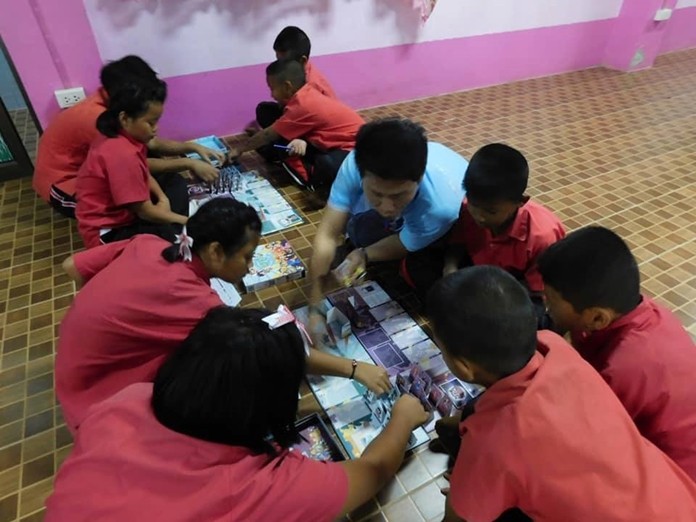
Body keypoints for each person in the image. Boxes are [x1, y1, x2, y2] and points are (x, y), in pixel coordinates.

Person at [46, 306, 429, 521]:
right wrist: (403, 418)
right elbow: (371, 473)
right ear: (267, 405)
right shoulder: (255, 489)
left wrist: (351, 369)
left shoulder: (126, 400)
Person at [58, 198, 390, 432]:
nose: (249, 267)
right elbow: (270, 348)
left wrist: (112, 311)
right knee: (235, 374)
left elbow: (72, 266)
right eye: (247, 256)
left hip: (73, 363)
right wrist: (355, 369)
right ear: (215, 250)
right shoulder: (197, 304)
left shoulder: (146, 242)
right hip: (98, 405)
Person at [427, 266, 696, 522]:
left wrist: (469, 494)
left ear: (464, 366)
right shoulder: (554, 346)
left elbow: (458, 517)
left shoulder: (494, 441)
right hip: (676, 501)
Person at [537, 226, 696, 480]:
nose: (546, 307)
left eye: (552, 301)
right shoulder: (642, 310)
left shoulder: (624, 368)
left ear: (598, 317)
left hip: (674, 479)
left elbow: (586, 439)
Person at [307, 118, 467, 338]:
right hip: (424, 202)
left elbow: (404, 243)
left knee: (425, 276)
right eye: (376, 194)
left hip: (446, 221)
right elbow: (327, 234)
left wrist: (365, 254)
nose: (387, 207)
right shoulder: (354, 164)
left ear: (419, 179)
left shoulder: (440, 207)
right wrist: (315, 304)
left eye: (398, 195)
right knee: (360, 233)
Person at [33, 55, 224, 218]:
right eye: (151, 122)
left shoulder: (111, 101)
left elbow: (151, 144)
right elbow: (131, 164)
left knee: (164, 182)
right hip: (63, 188)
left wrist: (191, 147)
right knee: (135, 212)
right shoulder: (98, 120)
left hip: (90, 168)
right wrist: (188, 164)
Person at [404, 143, 565, 324]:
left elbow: (534, 288)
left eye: (491, 212)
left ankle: (464, 315)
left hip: (514, 287)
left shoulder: (543, 235)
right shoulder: (469, 207)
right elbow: (459, 241)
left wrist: (487, 297)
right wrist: (450, 267)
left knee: (528, 321)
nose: (479, 217)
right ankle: (461, 314)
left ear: (521, 201)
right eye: (474, 205)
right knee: (418, 262)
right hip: (479, 272)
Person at [75, 79, 189, 248]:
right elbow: (145, 211)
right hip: (109, 231)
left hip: (128, 212)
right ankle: (175, 233)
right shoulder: (121, 154)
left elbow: (144, 171)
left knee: (174, 182)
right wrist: (188, 221)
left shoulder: (123, 136)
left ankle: (174, 230)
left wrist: (162, 197)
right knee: (164, 241)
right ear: (125, 118)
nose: (155, 129)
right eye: (150, 122)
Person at [229, 59, 364, 192]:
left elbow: (267, 134)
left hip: (352, 149)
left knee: (301, 155)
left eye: (272, 88)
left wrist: (239, 149)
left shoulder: (303, 105)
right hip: (321, 137)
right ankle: (274, 150)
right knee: (266, 110)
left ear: (287, 86)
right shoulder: (306, 91)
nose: (271, 94)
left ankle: (313, 184)